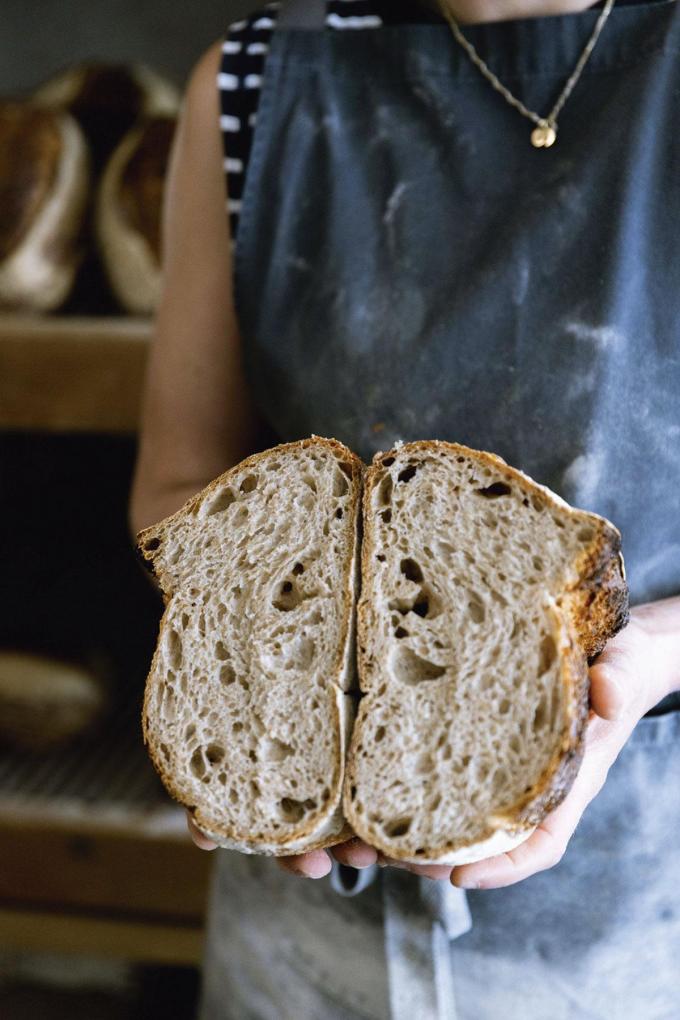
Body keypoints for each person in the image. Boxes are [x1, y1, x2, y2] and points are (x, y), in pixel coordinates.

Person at [129, 0, 680, 1016]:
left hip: (639, 936)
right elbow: (175, 487)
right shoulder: (254, 82)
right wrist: (266, 675)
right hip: (293, 949)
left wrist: (645, 652)